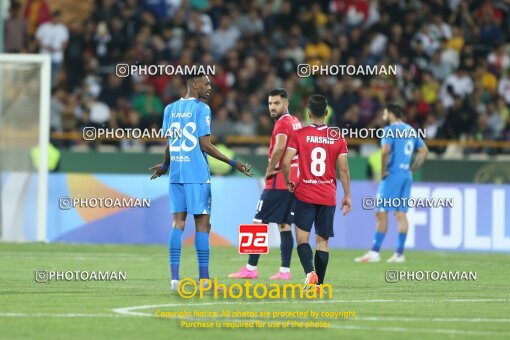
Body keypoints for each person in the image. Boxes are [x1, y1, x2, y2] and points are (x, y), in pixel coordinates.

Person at [150, 73, 252, 290]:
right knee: (202, 225)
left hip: (176, 174)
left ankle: (175, 280)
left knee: (177, 223)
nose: (209, 87)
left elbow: (169, 143)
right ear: (194, 84)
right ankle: (204, 279)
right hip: (196, 174)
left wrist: (166, 165)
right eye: (206, 83)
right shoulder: (202, 109)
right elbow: (204, 145)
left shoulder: (169, 109)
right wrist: (233, 163)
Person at [229, 88, 302, 280]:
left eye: (277, 103)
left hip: (278, 181)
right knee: (284, 225)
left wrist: (269, 168)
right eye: (270, 103)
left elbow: (279, 147)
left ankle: (251, 268)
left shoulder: (282, 123)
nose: (272, 107)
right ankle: (285, 271)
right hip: (293, 180)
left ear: (286, 103)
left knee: (258, 222)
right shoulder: (295, 121)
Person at [282, 94, 352, 291]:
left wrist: (289, 181)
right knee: (322, 241)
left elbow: (286, 162)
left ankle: (309, 273)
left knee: (302, 239)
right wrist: (347, 195)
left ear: (309, 113)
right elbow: (344, 170)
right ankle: (319, 284)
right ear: (327, 113)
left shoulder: (299, 134)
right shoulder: (337, 137)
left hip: (305, 194)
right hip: (327, 196)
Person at [355, 104, 428, 263]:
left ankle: (374, 252)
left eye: (385, 113)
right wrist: (413, 168)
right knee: (400, 213)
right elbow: (424, 151)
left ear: (392, 114)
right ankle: (399, 254)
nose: (383, 116)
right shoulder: (411, 130)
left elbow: (386, 151)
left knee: (380, 212)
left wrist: (383, 172)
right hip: (406, 175)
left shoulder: (389, 130)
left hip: (393, 175)